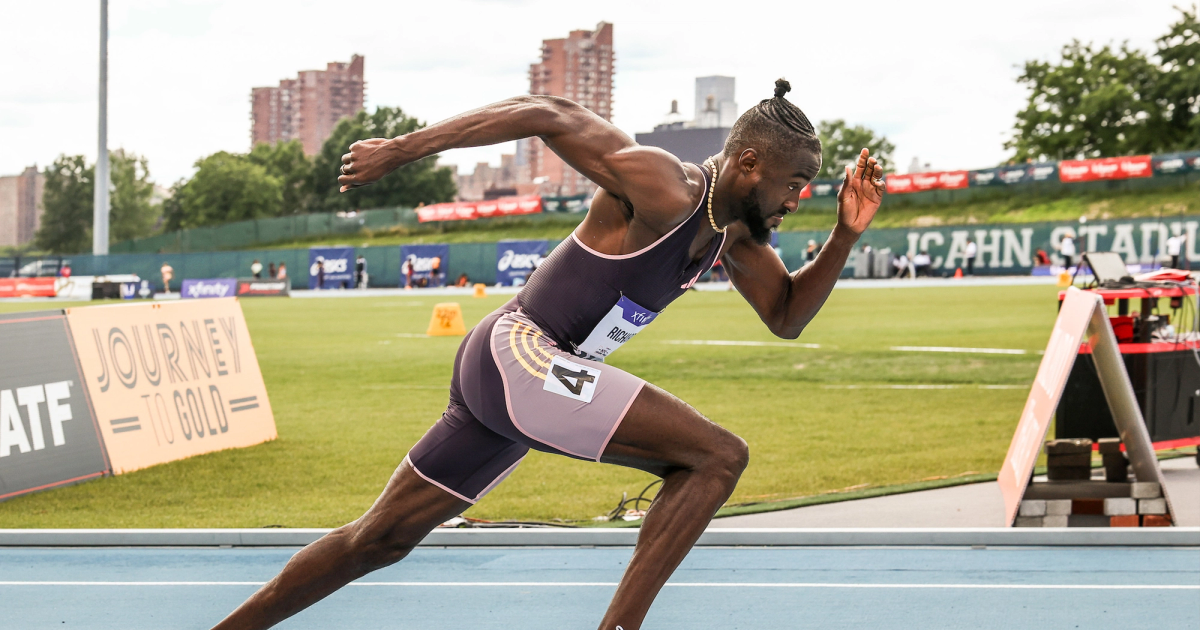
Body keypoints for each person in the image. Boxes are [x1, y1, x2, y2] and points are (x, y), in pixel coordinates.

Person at [212, 79, 885, 630]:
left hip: (519, 379)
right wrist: (401, 150)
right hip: (521, 355)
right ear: (748, 164)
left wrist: (846, 234)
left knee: (379, 540)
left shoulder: (733, 238)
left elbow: (787, 315)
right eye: (795, 182)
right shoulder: (666, 187)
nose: (800, 197)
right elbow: (547, 112)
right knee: (718, 455)